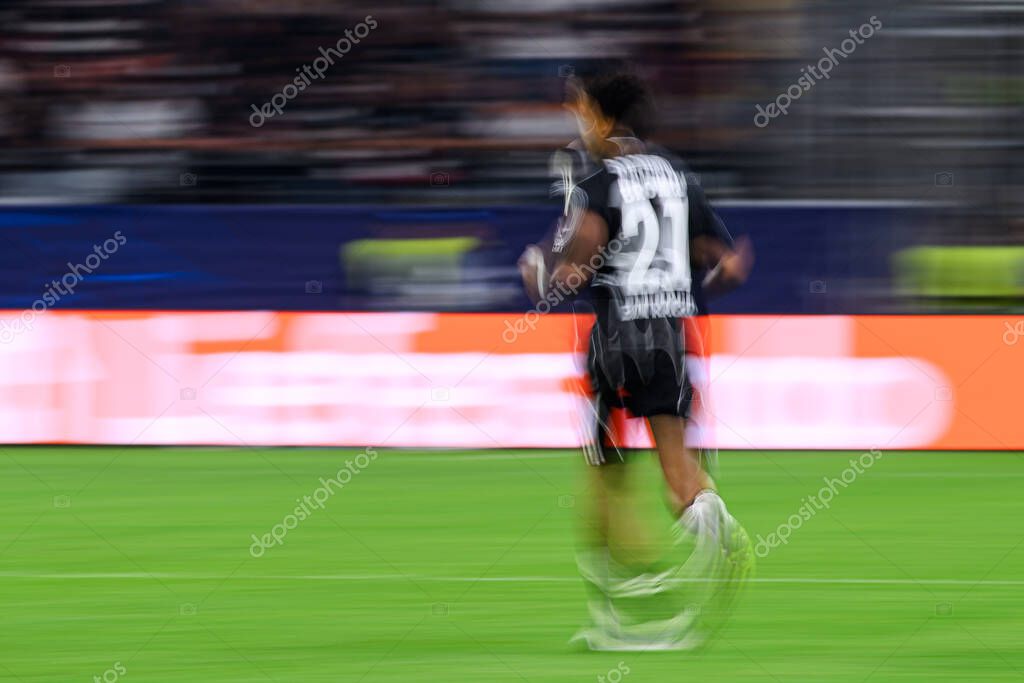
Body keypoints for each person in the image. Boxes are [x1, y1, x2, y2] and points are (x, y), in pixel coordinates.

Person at [518, 62, 754, 650]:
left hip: (616, 337)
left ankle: (614, 615)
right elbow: (719, 259)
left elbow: (579, 260)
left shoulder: (598, 180)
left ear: (601, 114)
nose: (577, 120)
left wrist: (542, 268)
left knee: (604, 476)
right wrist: (722, 269)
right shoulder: (679, 174)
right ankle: (710, 520)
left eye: (579, 108)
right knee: (680, 474)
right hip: (673, 336)